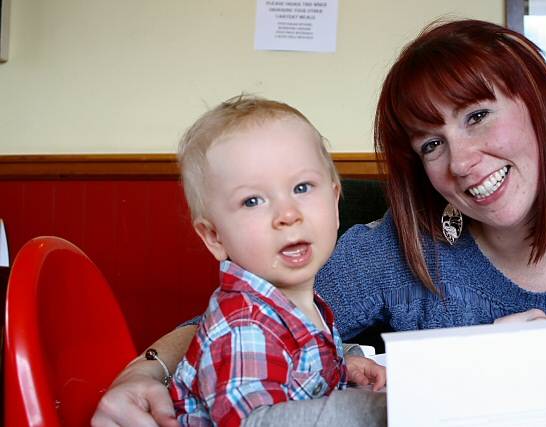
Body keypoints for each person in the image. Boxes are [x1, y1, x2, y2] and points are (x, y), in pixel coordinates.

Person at [92, 18, 546, 426]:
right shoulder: (400, 250)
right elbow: (245, 318)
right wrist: (143, 372)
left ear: (538, 103)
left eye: (477, 116)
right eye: (432, 143)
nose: (463, 161)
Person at [95, 95, 387, 427]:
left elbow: (293, 366)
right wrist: (370, 411)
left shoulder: (296, 305)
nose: (287, 214)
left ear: (335, 204)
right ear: (215, 237)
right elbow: (256, 421)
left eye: (302, 187)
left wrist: (343, 365)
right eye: (252, 201)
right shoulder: (243, 326)